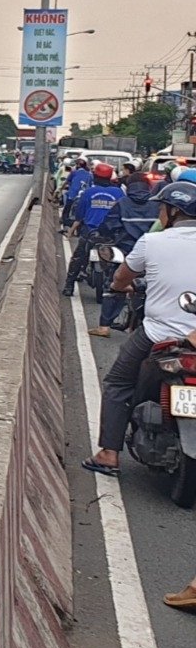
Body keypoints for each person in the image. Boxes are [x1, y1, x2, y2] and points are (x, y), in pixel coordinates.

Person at [82, 180, 196, 478]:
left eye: (162, 208)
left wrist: (121, 287)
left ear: (173, 212)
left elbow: (122, 276)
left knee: (118, 384)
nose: (159, 212)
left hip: (159, 334)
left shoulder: (152, 242)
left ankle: (108, 454)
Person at [91, 175, 161, 336]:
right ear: (148, 187)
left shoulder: (121, 204)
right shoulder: (157, 205)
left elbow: (108, 226)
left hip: (125, 251)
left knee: (114, 285)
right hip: (152, 252)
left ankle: (104, 327)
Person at [63, 161, 125, 297]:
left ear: (95, 177)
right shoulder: (118, 192)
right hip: (112, 234)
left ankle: (69, 285)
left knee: (78, 258)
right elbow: (124, 212)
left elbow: (79, 214)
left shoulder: (89, 192)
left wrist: (72, 229)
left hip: (90, 232)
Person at [63, 158, 92, 230]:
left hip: (72, 195)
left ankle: (65, 222)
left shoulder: (74, 172)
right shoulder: (89, 174)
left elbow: (67, 181)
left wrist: (61, 188)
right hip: (83, 196)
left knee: (67, 209)